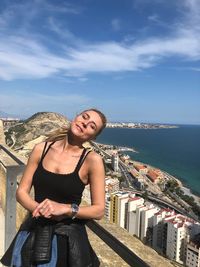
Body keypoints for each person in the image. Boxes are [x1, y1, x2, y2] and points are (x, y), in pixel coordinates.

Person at [1, 108, 107, 267]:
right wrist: (40, 209)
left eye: (92, 126)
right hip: (34, 229)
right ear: (76, 116)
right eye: (84, 117)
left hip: (67, 239)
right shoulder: (41, 149)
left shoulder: (92, 160)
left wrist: (64, 209)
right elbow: (21, 192)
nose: (85, 123)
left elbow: (99, 210)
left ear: (93, 137)